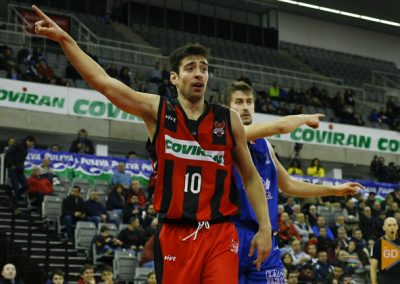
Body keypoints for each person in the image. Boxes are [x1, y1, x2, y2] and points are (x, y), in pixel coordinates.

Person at [32, 7, 272, 283]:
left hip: (219, 233)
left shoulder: (227, 119)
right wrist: (66, 40)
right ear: (173, 77)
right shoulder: (158, 111)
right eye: (190, 68)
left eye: (204, 69)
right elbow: (103, 82)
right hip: (175, 232)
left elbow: (251, 176)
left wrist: (265, 226)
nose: (199, 74)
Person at [222, 81, 362, 283]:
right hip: (233, 233)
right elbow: (280, 126)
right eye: (238, 102)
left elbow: (288, 184)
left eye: (249, 102)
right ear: (227, 108)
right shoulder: (225, 136)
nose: (245, 106)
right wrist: (304, 117)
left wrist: (334, 190)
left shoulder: (265, 145)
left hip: (265, 236)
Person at [4, 136, 35, 210]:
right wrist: (11, 164)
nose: (31, 145)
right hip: (13, 169)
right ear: (27, 141)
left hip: (20, 170)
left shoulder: (26, 150)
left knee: (26, 186)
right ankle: (15, 206)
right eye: (31, 143)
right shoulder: (17, 145)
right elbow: (8, 153)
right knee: (16, 188)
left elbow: (22, 160)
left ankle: (11, 199)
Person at [370, 217, 400, 284]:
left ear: (397, 227)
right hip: (384, 280)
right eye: (389, 225)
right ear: (384, 227)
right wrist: (374, 282)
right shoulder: (377, 244)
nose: (392, 227)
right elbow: (373, 267)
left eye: (394, 225)